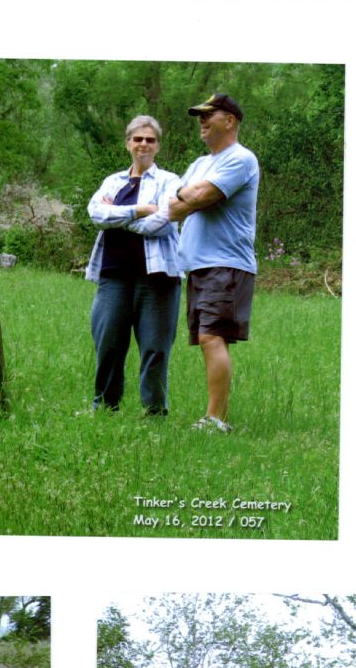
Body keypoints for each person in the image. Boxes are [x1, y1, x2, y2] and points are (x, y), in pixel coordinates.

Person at [167, 93, 260, 432]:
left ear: (230, 121)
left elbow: (202, 197)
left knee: (212, 337)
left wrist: (187, 194)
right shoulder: (199, 164)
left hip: (227, 262)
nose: (202, 121)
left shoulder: (241, 159)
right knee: (207, 339)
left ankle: (216, 420)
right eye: (199, 117)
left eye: (209, 115)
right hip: (199, 264)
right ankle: (215, 417)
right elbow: (176, 208)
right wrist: (186, 194)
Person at [85, 115, 182, 416]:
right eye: (138, 139)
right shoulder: (113, 181)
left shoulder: (171, 181)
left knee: (155, 349)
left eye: (150, 140)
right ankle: (104, 407)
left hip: (159, 277)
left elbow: (164, 220)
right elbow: (96, 213)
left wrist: (120, 218)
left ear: (158, 146)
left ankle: (154, 413)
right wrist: (138, 210)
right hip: (113, 275)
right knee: (108, 345)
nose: (143, 144)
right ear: (127, 143)